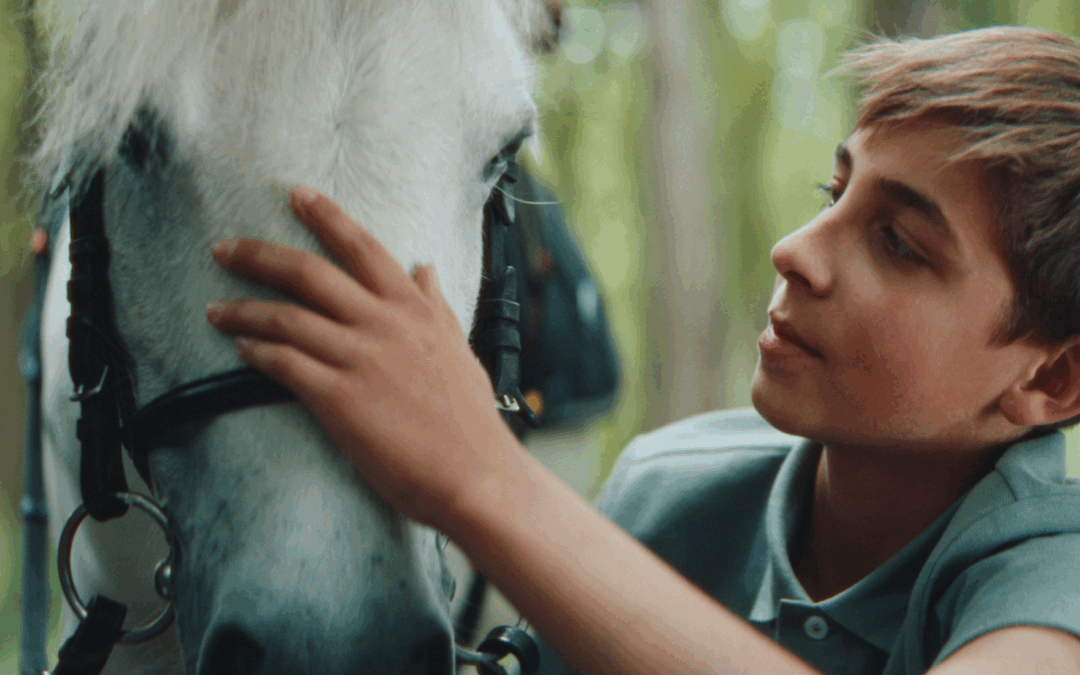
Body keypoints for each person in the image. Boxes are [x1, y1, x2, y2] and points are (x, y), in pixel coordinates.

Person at [204, 25, 1080, 675]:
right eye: (834, 191)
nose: (797, 251)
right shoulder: (669, 489)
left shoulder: (1054, 577)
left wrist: (487, 483)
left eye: (898, 242)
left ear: (1051, 375)